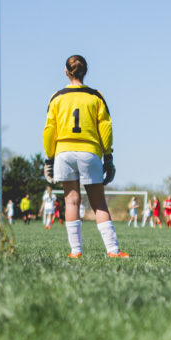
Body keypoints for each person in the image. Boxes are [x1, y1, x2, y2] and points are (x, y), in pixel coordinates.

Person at [42, 54, 128, 258]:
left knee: (71, 201)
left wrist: (49, 158)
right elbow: (105, 127)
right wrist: (108, 156)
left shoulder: (57, 96)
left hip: (63, 152)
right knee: (98, 203)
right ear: (86, 71)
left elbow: (49, 130)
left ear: (66, 71)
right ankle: (113, 250)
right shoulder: (95, 96)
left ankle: (76, 251)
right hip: (89, 151)